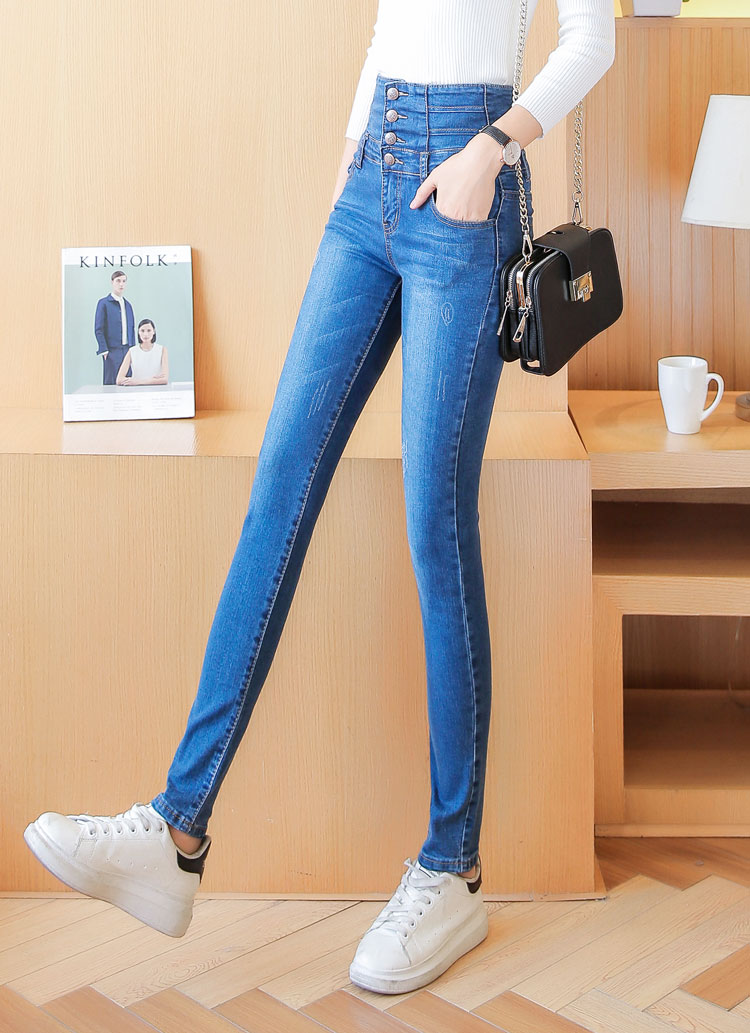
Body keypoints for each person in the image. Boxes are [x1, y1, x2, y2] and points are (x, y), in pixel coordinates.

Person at [25, 0, 615, 996]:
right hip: (374, 173)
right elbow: (395, 20)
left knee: (434, 525)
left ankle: (452, 864)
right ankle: (175, 829)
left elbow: (591, 38)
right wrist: (352, 144)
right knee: (279, 489)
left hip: (467, 185)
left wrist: (492, 148)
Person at [95, 270, 135, 385]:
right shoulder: (103, 303)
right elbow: (99, 329)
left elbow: (131, 329)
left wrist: (133, 351)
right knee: (111, 383)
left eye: (124, 281)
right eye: (118, 281)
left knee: (127, 382)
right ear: (112, 282)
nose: (121, 284)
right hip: (111, 351)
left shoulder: (128, 305)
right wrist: (104, 350)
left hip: (127, 350)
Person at [116, 318, 169, 386]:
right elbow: (119, 379)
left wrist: (138, 381)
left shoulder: (162, 350)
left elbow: (165, 379)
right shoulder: (132, 351)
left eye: (149, 330)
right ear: (138, 332)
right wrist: (154, 380)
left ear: (154, 331)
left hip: (157, 389)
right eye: (142, 331)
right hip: (137, 390)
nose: (145, 334)